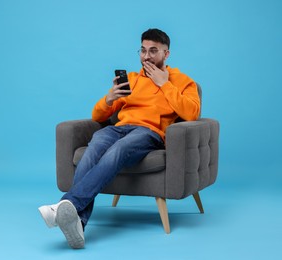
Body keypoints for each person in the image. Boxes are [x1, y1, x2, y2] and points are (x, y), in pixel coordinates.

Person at [39, 28, 200, 249]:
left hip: (149, 133)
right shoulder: (132, 80)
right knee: (94, 145)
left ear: (167, 54)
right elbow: (97, 116)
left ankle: (66, 205)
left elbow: (192, 113)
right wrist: (109, 99)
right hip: (120, 128)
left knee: (120, 149)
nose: (146, 56)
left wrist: (165, 84)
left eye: (153, 51)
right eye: (143, 50)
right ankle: (78, 223)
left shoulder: (182, 81)